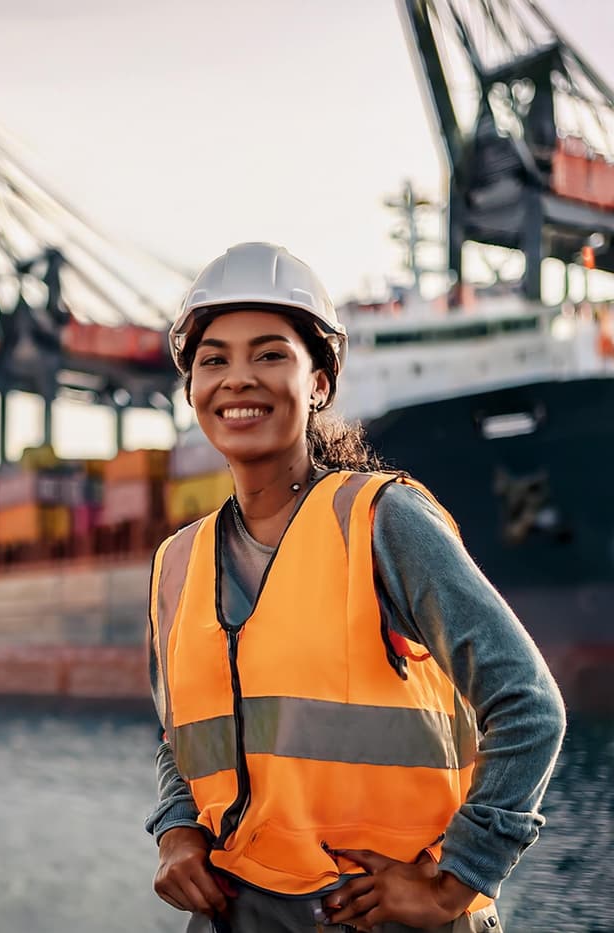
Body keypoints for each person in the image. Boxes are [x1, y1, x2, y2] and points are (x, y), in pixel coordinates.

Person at [145, 242, 566, 932]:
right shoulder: (176, 563)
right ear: (192, 387)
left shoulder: (381, 520)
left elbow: (531, 708)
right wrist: (176, 830)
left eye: (271, 354)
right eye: (213, 359)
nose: (237, 378)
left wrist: (454, 881)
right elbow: (180, 737)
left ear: (319, 381)